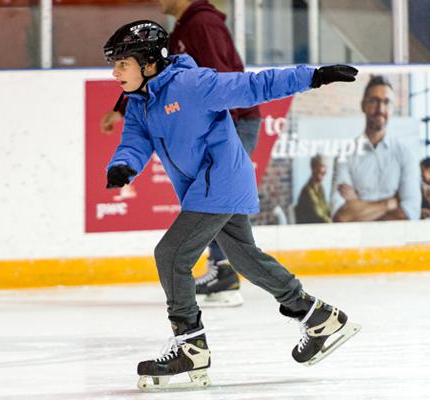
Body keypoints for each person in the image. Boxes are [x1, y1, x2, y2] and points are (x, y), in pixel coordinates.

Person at [102, 20, 361, 390]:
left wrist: (314, 76)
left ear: (148, 62)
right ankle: (318, 316)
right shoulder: (140, 102)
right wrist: (123, 166)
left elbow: (255, 85)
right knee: (244, 257)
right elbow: (134, 141)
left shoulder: (193, 85)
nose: (114, 73)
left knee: (171, 254)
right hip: (204, 188)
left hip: (219, 181)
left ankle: (190, 345)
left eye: (121, 63)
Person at [101, 0, 262, 307]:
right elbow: (158, 79)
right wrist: (122, 108)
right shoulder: (185, 27)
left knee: (215, 194)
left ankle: (226, 271)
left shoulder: (202, 24)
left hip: (232, 120)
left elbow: (221, 80)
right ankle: (226, 269)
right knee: (215, 196)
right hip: (221, 121)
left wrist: (220, 128)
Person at [331, 75, 421, 222]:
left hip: (395, 243)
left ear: (392, 108)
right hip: (356, 244)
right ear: (363, 106)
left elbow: (410, 213)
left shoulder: (405, 155)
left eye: (387, 102)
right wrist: (390, 203)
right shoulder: (345, 154)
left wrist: (357, 205)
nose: (381, 109)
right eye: (374, 101)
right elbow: (341, 216)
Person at [294, 154, 332, 224]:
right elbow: (318, 215)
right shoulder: (308, 190)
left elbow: (326, 210)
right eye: (321, 166)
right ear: (313, 168)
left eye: (325, 167)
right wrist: (333, 223)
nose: (324, 171)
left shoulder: (320, 188)